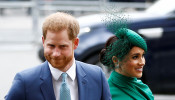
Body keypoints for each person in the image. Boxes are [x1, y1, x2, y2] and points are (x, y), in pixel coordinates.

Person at [5, 12, 111, 100]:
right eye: (51, 46)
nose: (56, 53)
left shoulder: (97, 77)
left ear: (75, 43)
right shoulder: (25, 81)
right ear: (43, 41)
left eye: (62, 46)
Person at [99, 28, 154, 100]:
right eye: (135, 57)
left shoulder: (142, 87)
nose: (142, 62)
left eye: (142, 55)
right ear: (116, 60)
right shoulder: (108, 94)